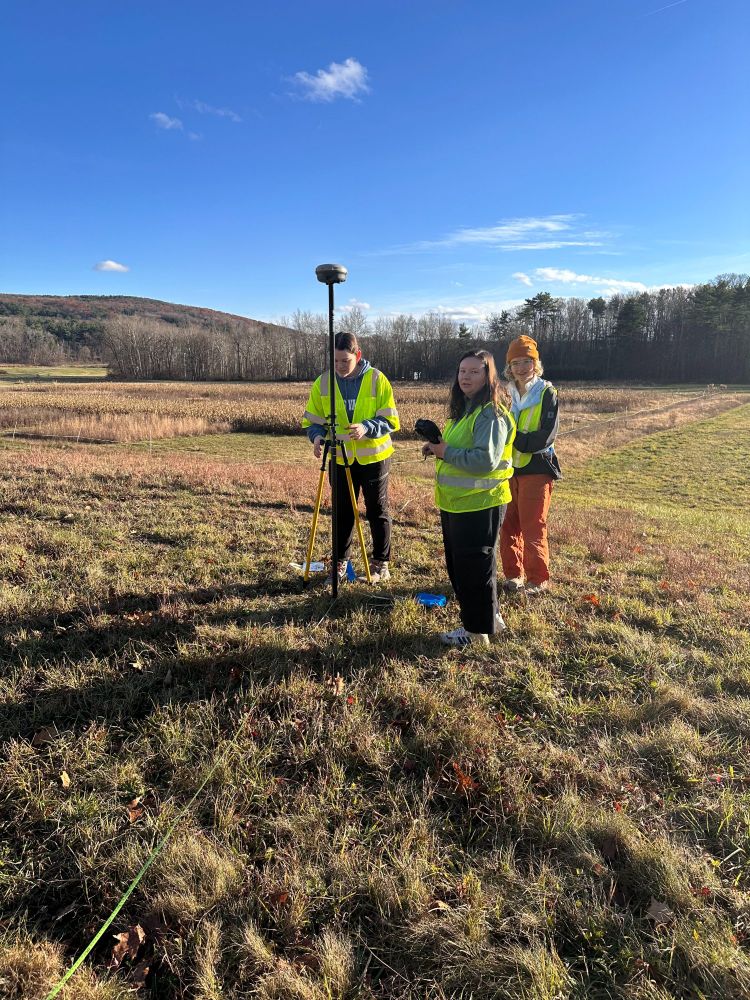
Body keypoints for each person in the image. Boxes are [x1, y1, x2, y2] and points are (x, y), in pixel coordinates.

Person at [422, 349, 515, 647]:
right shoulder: (467, 409)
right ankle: (491, 618)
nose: (466, 376)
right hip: (458, 503)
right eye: (463, 371)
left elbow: (485, 460)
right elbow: (455, 448)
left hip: (480, 502)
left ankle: (476, 633)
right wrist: (437, 448)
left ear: (489, 376)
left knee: (473, 570)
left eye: (475, 371)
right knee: (470, 568)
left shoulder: (490, 412)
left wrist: (445, 452)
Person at [302, 332, 400, 585]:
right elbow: (312, 421)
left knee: (377, 510)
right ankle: (340, 564)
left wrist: (367, 427)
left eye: (344, 361)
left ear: (358, 355)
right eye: (334, 361)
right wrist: (316, 437)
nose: (339, 367)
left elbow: (390, 420)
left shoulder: (377, 380)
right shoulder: (323, 382)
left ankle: (381, 563)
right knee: (343, 512)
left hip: (374, 458)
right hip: (340, 457)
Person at [499, 334, 561, 595]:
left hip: (537, 468)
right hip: (507, 468)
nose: (522, 368)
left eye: (527, 361)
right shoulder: (505, 394)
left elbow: (546, 435)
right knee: (507, 524)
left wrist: (514, 439)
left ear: (536, 364)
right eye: (516, 363)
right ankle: (514, 575)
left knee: (532, 525)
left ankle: (537, 579)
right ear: (509, 368)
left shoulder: (548, 392)